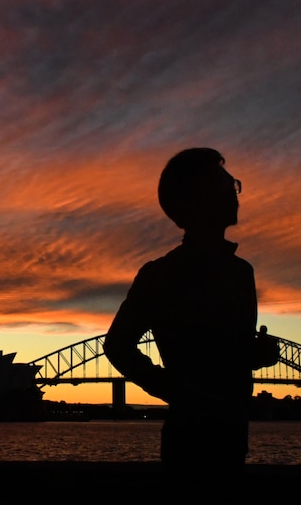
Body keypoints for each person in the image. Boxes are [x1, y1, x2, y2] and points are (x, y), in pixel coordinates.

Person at [103, 147, 258, 487]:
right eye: (224, 184)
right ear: (194, 199)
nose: (234, 192)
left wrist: (256, 354)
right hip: (188, 437)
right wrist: (180, 392)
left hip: (233, 435)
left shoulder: (241, 272)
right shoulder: (162, 274)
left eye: (233, 183)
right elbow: (117, 345)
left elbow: (234, 351)